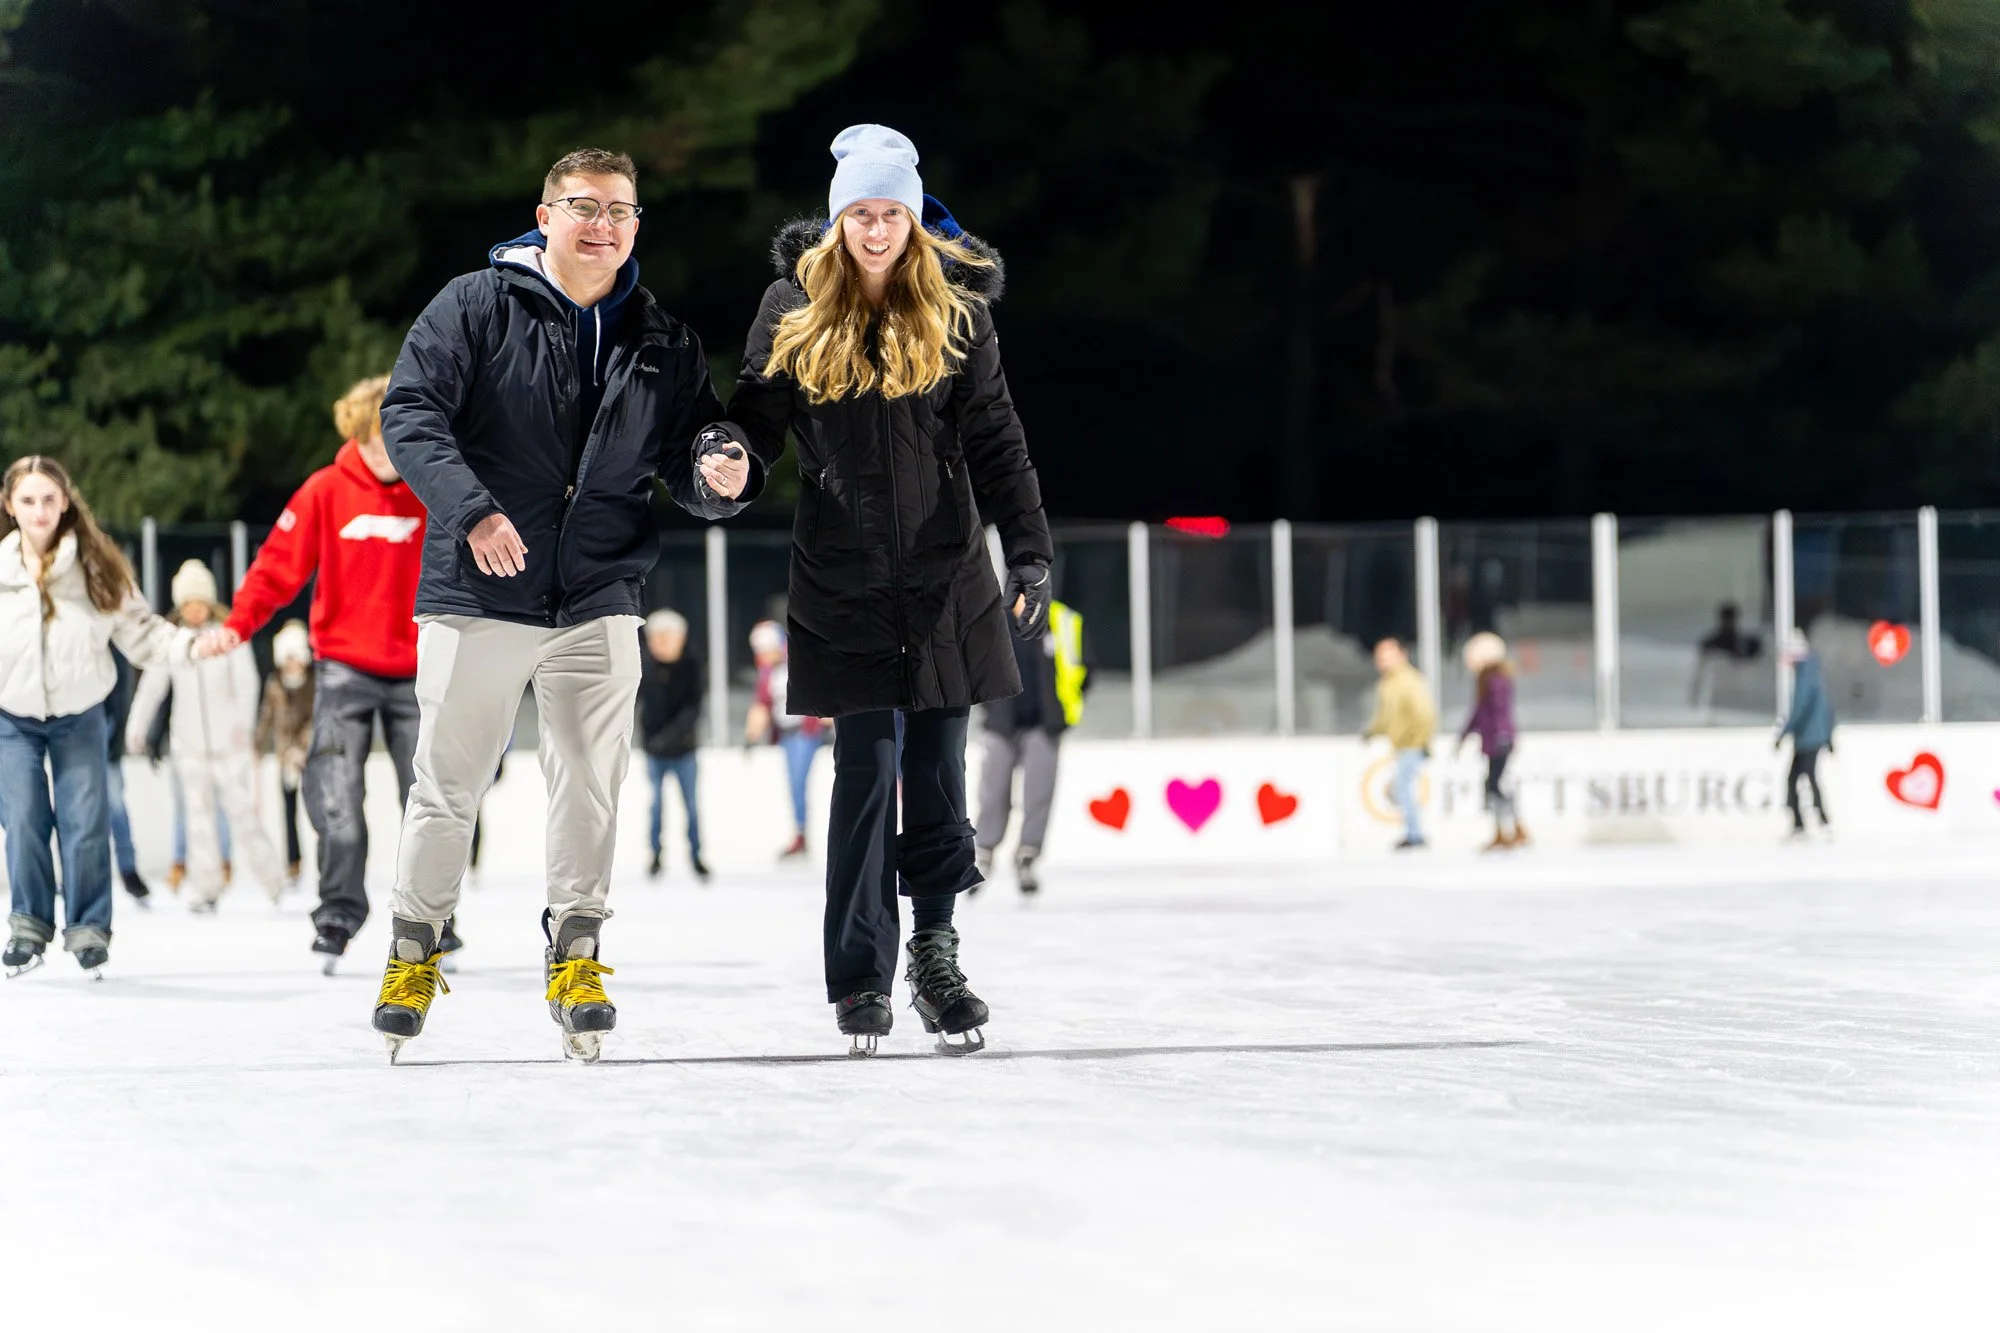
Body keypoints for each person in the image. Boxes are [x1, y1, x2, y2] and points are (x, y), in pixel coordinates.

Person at [371, 146, 757, 1061]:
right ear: (544, 217)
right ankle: (413, 949)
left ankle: (577, 952)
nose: (603, 223)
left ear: (634, 229)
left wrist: (716, 467)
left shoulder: (661, 338)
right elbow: (411, 411)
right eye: (583, 205)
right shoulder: (475, 303)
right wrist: (470, 512)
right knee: (449, 783)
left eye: (621, 210)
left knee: (590, 782)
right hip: (479, 589)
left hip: (598, 591)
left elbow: (686, 448)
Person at [715, 124, 1053, 1055]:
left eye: (889, 212)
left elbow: (998, 437)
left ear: (912, 216)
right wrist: (726, 456)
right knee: (863, 776)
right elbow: (756, 416)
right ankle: (860, 972)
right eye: (859, 213)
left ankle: (936, 957)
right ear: (836, 222)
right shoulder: (791, 305)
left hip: (947, 577)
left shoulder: (954, 311)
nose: (874, 229)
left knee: (939, 773)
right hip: (843, 578)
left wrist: (1027, 551)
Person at [195, 375, 429, 970]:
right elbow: (276, 568)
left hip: (423, 670)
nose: (382, 454)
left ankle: (431, 917)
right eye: (370, 441)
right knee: (335, 798)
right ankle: (339, 911)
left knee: (429, 802)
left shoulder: (436, 487)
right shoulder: (326, 491)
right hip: (345, 667)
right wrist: (238, 625)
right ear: (354, 436)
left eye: (393, 440)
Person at [0, 457, 191, 976]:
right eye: (27, 500)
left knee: (85, 823)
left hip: (80, 712)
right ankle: (28, 927)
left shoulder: (95, 566)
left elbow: (144, 633)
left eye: (48, 499)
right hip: (12, 717)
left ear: (65, 503)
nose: (39, 511)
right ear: (9, 506)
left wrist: (193, 646)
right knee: (22, 819)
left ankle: (88, 931)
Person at [128, 560, 288, 911]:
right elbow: (153, 687)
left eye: (200, 602)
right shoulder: (172, 641)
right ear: (180, 606)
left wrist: (241, 730)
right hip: (189, 744)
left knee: (243, 813)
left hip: (228, 744)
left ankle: (273, 881)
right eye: (188, 603)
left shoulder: (228, 635)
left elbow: (247, 684)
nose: (195, 610)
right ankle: (206, 888)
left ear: (209, 602)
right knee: (198, 818)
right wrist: (136, 727)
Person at [974, 596, 1089, 895]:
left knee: (1039, 792)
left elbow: (1084, 666)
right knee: (993, 790)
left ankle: (1027, 853)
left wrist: (1063, 708)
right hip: (1002, 722)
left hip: (1044, 723)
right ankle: (984, 850)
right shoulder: (992, 620)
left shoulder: (1060, 619)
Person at [744, 620, 823, 861]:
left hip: (805, 730)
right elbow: (763, 704)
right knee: (793, 784)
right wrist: (751, 735)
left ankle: (802, 834)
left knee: (799, 782)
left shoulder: (798, 662)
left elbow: (820, 687)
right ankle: (800, 833)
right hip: (786, 734)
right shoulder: (767, 673)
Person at [638, 609, 708, 881]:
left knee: (690, 804)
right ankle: (655, 855)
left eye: (667, 637)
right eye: (655, 637)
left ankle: (696, 855)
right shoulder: (645, 666)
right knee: (655, 804)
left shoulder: (692, 665)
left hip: (684, 749)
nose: (661, 643)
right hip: (654, 750)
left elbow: (693, 709)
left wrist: (670, 737)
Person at [1363, 637, 1437, 850]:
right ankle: (1412, 832)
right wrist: (1373, 731)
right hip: (1402, 744)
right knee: (1400, 788)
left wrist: (1418, 740)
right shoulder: (1388, 683)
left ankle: (1414, 834)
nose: (1383, 661)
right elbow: (1386, 717)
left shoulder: (1408, 680)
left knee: (1403, 788)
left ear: (1401, 655)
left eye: (1388, 655)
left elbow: (1424, 714)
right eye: (1380, 656)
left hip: (1411, 744)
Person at [256, 619, 315, 884]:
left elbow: (317, 718)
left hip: (310, 756)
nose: (292, 663)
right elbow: (267, 715)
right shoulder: (275, 683)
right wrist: (258, 744)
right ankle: (293, 861)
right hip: (283, 755)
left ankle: (323, 859)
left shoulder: (313, 683)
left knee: (317, 807)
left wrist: (301, 748)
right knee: (287, 810)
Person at [1457, 631, 1525, 851]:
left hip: (1498, 740)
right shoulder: (1489, 680)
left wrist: (1501, 735)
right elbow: (1480, 713)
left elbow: (1496, 712)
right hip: (1496, 739)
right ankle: (1508, 828)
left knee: (1495, 784)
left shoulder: (1494, 680)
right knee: (1494, 784)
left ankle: (1510, 828)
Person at [101, 648, 153, 905]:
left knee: (115, 805)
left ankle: (128, 869)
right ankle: (72, 873)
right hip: (72, 730)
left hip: (106, 731)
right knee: (73, 809)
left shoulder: (112, 640)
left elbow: (122, 690)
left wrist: (118, 733)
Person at [1775, 628, 1834, 840]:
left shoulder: (1805, 675)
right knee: (1803, 777)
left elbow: (1800, 707)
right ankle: (1811, 821)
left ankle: (1811, 822)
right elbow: (1827, 708)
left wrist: (1784, 732)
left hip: (1808, 738)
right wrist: (1829, 735)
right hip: (1812, 736)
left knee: (1799, 778)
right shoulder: (1813, 672)